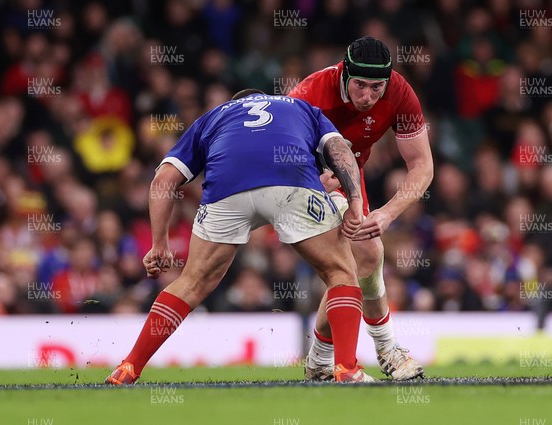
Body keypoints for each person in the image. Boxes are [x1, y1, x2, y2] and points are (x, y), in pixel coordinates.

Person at [105, 89, 375, 384]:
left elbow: (164, 179)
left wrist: (160, 244)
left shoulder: (213, 117)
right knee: (340, 271)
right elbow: (340, 151)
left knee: (192, 283)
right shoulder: (301, 108)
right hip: (290, 179)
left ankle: (129, 367)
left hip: (226, 186)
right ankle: (346, 369)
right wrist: (355, 203)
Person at [288, 36, 434, 380]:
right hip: (307, 177)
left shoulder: (399, 92)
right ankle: (386, 350)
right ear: (343, 74)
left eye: (376, 87)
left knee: (356, 263)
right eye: (360, 85)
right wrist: (314, 178)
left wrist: (386, 213)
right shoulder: (310, 95)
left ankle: (321, 363)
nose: (368, 96)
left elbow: (422, 165)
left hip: (350, 177)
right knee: (365, 252)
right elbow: (280, 154)